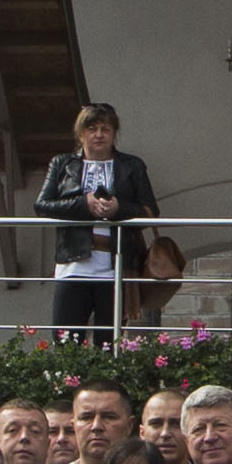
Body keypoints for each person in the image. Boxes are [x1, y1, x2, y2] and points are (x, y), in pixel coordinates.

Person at [32, 99, 157, 338]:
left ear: (114, 133)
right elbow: (43, 206)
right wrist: (83, 204)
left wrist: (118, 208)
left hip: (116, 265)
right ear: (81, 134)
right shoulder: (62, 163)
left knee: (109, 343)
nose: (99, 135)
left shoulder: (132, 165)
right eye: (92, 129)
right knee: (66, 339)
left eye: (105, 129)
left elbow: (150, 211)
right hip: (72, 264)